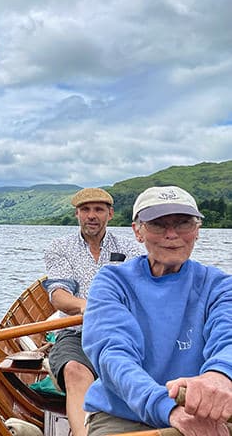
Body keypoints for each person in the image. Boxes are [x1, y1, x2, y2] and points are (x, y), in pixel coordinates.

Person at [82, 185, 232, 436]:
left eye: (183, 223)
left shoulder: (219, 285)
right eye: (158, 224)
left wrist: (220, 376)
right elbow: (114, 355)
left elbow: (227, 339)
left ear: (197, 231)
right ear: (138, 232)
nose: (171, 234)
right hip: (124, 414)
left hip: (202, 411)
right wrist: (167, 407)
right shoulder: (112, 281)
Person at [43, 188, 145, 436]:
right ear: (77, 214)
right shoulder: (59, 247)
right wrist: (85, 306)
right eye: (85, 210)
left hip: (121, 333)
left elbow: (141, 290)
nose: (92, 215)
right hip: (76, 332)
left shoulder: (131, 248)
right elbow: (58, 294)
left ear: (110, 214)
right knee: (74, 371)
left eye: (98, 209)